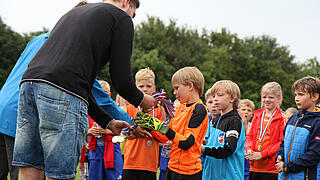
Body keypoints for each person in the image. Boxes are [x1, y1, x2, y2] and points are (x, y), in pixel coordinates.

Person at [12, 0, 157, 179]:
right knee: (59, 173)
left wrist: (108, 122)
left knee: (30, 165)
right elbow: (121, 81)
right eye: (133, 13)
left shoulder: (71, 14)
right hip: (61, 93)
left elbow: (81, 88)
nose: (132, 18)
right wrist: (143, 100)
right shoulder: (121, 18)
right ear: (127, 2)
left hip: (28, 85)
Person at [134, 66, 209, 180]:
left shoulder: (199, 109)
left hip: (188, 173)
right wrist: (149, 126)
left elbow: (186, 143)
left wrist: (161, 126)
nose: (174, 93)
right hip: (172, 168)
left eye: (177, 88)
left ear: (190, 86)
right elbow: (165, 137)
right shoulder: (180, 108)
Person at [122, 68, 167, 180]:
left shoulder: (159, 109)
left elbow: (164, 136)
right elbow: (123, 134)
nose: (145, 89)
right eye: (141, 86)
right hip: (130, 161)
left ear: (154, 88)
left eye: (148, 86)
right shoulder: (130, 108)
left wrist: (150, 129)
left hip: (149, 163)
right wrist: (136, 132)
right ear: (135, 88)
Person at [276, 76, 320, 180]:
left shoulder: (317, 122)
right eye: (295, 94)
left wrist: (287, 167)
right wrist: (279, 155)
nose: (296, 98)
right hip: (284, 175)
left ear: (315, 97)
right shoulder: (292, 118)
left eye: (301, 94)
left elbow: (314, 154)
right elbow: (283, 142)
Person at [200, 80, 245, 180]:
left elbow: (228, 149)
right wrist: (202, 145)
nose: (215, 99)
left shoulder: (234, 121)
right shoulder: (214, 120)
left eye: (220, 95)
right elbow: (209, 146)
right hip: (210, 175)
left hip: (228, 176)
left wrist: (204, 149)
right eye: (214, 96)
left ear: (232, 98)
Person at [245, 82, 285, 180]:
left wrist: (262, 154)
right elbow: (249, 136)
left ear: (279, 99)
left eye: (271, 97)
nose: (267, 100)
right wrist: (249, 149)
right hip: (254, 166)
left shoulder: (282, 119)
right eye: (264, 97)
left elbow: (281, 142)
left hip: (271, 168)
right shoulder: (257, 116)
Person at [238, 99, 255, 180]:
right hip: (237, 160)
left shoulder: (253, 127)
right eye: (243, 109)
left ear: (251, 114)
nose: (246, 112)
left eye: (249, 110)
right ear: (238, 111)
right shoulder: (234, 125)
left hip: (248, 162)